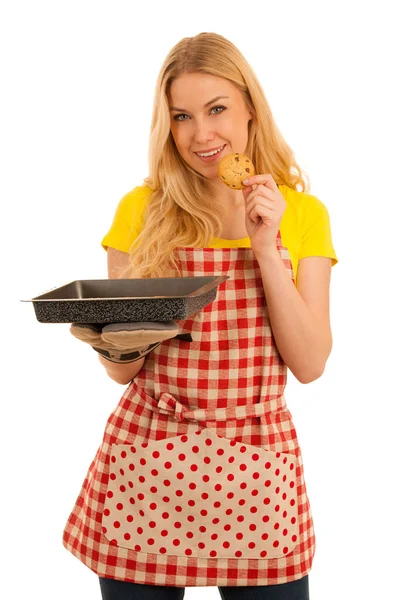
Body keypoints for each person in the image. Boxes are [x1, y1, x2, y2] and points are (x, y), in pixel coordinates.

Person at [62, 32, 338, 600]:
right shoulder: (141, 211)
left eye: (217, 110)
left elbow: (309, 364)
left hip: (256, 466)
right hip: (149, 463)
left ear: (250, 110)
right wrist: (106, 332)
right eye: (182, 116)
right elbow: (123, 372)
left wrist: (266, 248)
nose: (201, 134)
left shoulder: (301, 214)